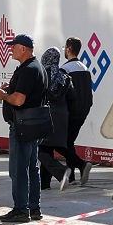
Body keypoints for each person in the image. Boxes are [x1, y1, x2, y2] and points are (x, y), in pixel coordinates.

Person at [0, 35, 49, 224]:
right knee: (32, 168)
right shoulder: (36, 67)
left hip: (22, 127)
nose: (11, 49)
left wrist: (3, 96)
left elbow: (18, 100)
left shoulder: (28, 70)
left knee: (18, 170)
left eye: (13, 46)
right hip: (33, 126)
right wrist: (12, 88)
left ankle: (20, 209)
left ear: (23, 48)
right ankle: (34, 208)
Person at [58, 36, 95, 190]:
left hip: (69, 112)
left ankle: (81, 165)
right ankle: (72, 175)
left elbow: (61, 93)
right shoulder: (85, 68)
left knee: (61, 143)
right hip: (82, 112)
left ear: (68, 48)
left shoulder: (65, 69)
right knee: (68, 142)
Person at [37, 47, 74, 193]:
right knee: (46, 149)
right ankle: (44, 183)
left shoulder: (42, 75)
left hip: (46, 115)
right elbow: (72, 97)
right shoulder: (64, 76)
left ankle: (61, 171)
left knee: (39, 149)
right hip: (62, 117)